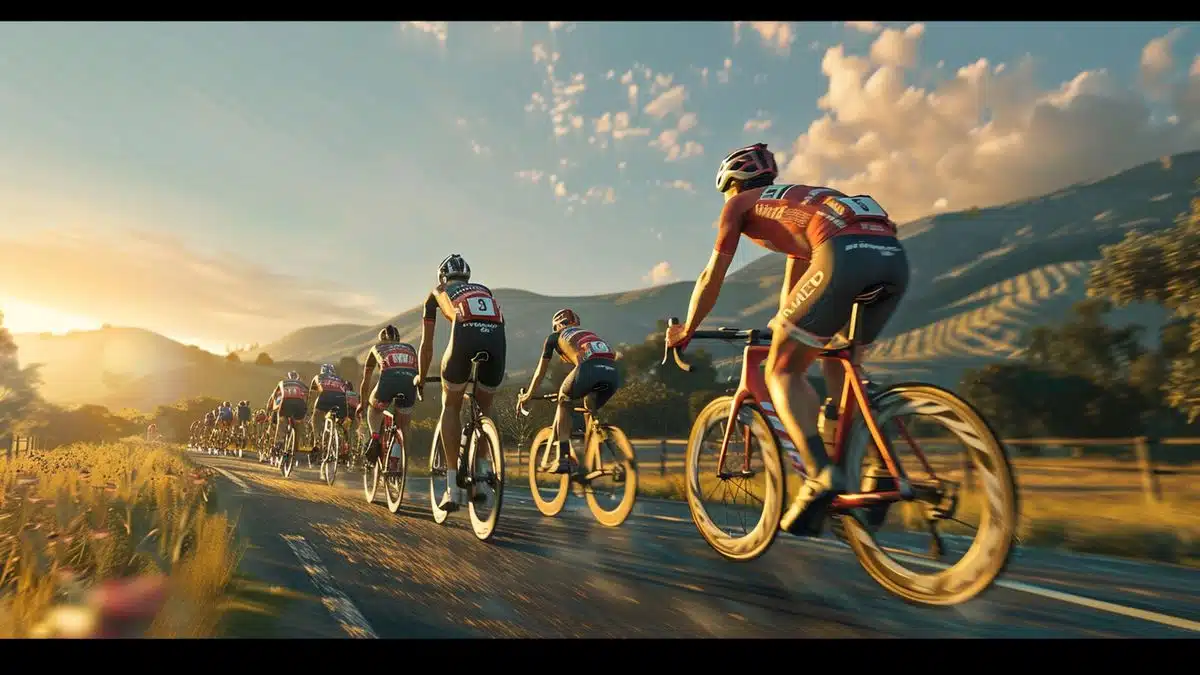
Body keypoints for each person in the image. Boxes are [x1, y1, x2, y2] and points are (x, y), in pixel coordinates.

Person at [664, 142, 910, 537]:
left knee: (781, 370)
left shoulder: (740, 206)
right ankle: (881, 467)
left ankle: (820, 476)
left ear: (733, 184)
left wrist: (688, 327)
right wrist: (782, 326)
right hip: (890, 256)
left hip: (843, 253)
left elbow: (712, 276)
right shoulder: (797, 206)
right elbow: (794, 297)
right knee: (839, 359)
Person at [416, 254, 507, 510]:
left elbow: (426, 347)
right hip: (496, 341)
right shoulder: (484, 290)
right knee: (485, 405)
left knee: (451, 404)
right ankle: (481, 474)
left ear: (442, 277)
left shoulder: (437, 292)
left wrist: (421, 379)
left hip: (464, 337)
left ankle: (452, 486)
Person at [517, 309, 621, 474]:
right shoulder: (588, 334)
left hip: (589, 369)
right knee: (590, 407)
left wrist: (528, 395)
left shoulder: (554, 337)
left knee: (564, 399)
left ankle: (563, 458)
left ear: (556, 325)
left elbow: (540, 372)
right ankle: (593, 458)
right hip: (613, 373)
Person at [360, 325, 419, 473]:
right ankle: (400, 461)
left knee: (374, 408)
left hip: (388, 382)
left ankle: (374, 435)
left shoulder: (377, 348)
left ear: (381, 340)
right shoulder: (409, 348)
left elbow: (365, 381)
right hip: (409, 383)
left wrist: (362, 403)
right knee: (404, 425)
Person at [308, 363, 350, 459]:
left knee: (316, 415)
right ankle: (345, 444)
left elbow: (311, 395)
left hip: (325, 396)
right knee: (343, 422)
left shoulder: (318, 376)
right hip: (341, 399)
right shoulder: (340, 379)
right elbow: (347, 392)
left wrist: (310, 409)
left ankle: (317, 441)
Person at [267, 370, 308, 455]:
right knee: (298, 425)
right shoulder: (301, 384)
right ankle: (295, 445)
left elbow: (274, 396)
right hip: (300, 404)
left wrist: (269, 408)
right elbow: (308, 394)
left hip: (285, 402)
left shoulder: (282, 382)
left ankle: (278, 443)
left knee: (281, 422)